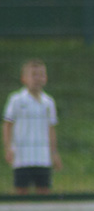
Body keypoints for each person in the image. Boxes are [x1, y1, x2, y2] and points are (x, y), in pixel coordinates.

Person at [3, 59, 62, 195]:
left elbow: (51, 128)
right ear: (24, 78)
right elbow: (7, 125)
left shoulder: (48, 102)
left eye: (41, 75)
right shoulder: (16, 100)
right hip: (22, 156)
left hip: (42, 156)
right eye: (34, 75)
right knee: (21, 191)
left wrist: (54, 153)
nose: (37, 78)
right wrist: (8, 148)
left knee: (44, 191)